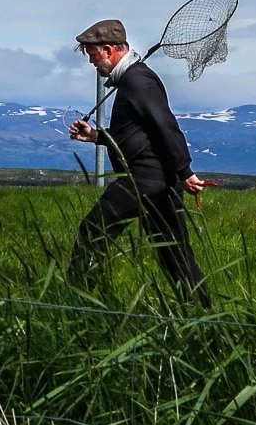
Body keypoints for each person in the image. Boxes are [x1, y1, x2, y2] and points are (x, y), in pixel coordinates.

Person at [68, 18, 211, 305]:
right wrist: (97, 136)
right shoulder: (132, 80)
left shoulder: (138, 80)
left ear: (108, 50)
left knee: (93, 232)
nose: (92, 63)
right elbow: (137, 137)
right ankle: (202, 315)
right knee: (175, 254)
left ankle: (78, 302)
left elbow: (165, 124)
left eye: (93, 55)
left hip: (144, 179)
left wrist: (185, 171)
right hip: (158, 181)